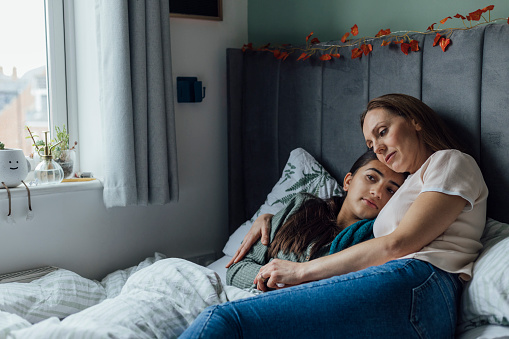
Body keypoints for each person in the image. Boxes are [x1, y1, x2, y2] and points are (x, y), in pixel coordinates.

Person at [180, 93, 488, 339]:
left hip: (419, 284)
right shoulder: (416, 182)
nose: (379, 148)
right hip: (407, 292)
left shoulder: (450, 161)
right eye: (371, 144)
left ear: (416, 121)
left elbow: (397, 244)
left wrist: (300, 272)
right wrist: (269, 217)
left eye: (383, 132)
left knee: (224, 320)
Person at [227, 150, 406, 292]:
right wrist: (271, 282)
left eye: (391, 190)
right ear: (348, 181)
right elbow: (236, 270)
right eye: (371, 178)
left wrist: (295, 287)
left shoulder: (375, 243)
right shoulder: (301, 206)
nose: (377, 192)